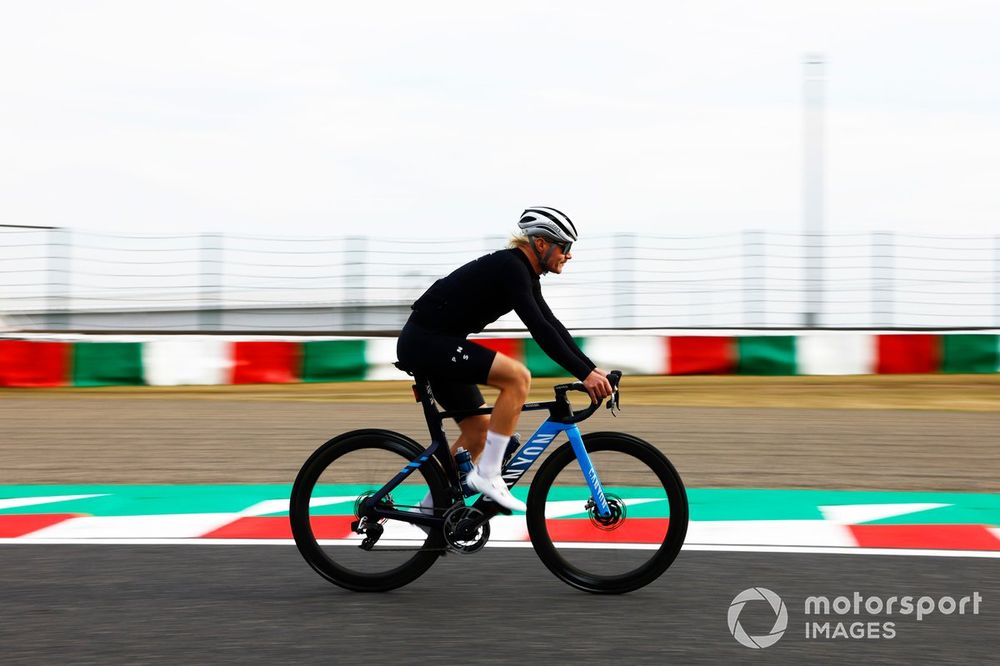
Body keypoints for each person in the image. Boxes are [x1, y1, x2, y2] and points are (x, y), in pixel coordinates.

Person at [396, 206, 614, 513]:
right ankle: (488, 475)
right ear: (541, 243)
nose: (569, 255)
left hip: (437, 343)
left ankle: (429, 510)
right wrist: (584, 373)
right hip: (427, 343)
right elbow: (539, 330)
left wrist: (589, 369)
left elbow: (551, 325)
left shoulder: (524, 273)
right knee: (517, 377)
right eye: (564, 247)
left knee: (479, 433)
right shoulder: (511, 268)